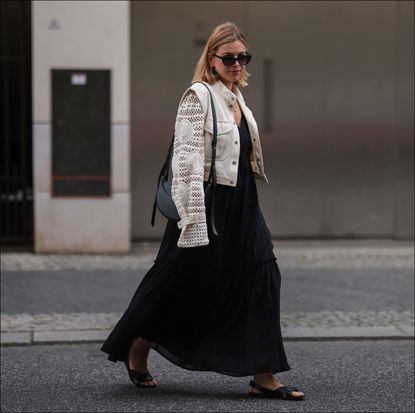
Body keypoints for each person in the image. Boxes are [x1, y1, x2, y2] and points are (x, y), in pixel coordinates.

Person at [101, 21, 305, 401]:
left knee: (263, 274)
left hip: (242, 204)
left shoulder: (236, 99)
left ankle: (264, 375)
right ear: (211, 59)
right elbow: (187, 162)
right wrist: (192, 220)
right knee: (181, 282)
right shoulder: (198, 97)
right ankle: (138, 345)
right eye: (229, 58)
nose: (237, 64)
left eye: (243, 57)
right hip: (207, 206)